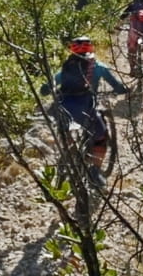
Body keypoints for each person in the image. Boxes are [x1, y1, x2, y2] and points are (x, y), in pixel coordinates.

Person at [41, 36, 128, 188]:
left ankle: (69, 154)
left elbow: (45, 89)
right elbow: (117, 86)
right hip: (85, 108)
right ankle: (95, 171)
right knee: (100, 137)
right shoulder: (98, 66)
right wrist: (123, 90)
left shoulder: (66, 67)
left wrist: (46, 89)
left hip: (63, 109)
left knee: (66, 133)